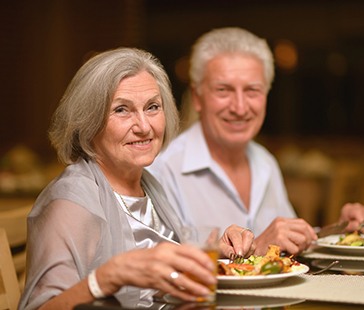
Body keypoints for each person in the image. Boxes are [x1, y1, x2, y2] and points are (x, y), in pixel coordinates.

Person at [18, 47, 255, 310]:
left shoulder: (149, 185)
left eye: (152, 107)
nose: (144, 127)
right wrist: (105, 279)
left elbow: (155, 280)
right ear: (88, 122)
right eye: (122, 110)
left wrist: (213, 252)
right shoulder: (72, 203)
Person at [148, 27, 364, 256]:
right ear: (198, 98)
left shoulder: (264, 161)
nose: (239, 108)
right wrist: (256, 248)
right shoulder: (163, 169)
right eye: (223, 90)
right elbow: (160, 271)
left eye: (252, 90)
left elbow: (287, 243)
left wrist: (339, 233)